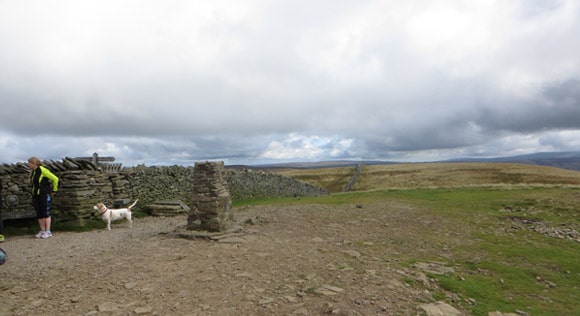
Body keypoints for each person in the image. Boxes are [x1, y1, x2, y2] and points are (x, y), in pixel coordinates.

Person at [28, 157, 59, 239]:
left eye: (29, 163)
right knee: (39, 213)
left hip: (44, 194)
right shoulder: (34, 172)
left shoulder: (43, 170)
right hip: (36, 194)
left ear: (34, 163)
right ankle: (42, 230)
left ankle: (48, 231)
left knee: (45, 212)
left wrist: (54, 190)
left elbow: (55, 179)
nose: (28, 165)